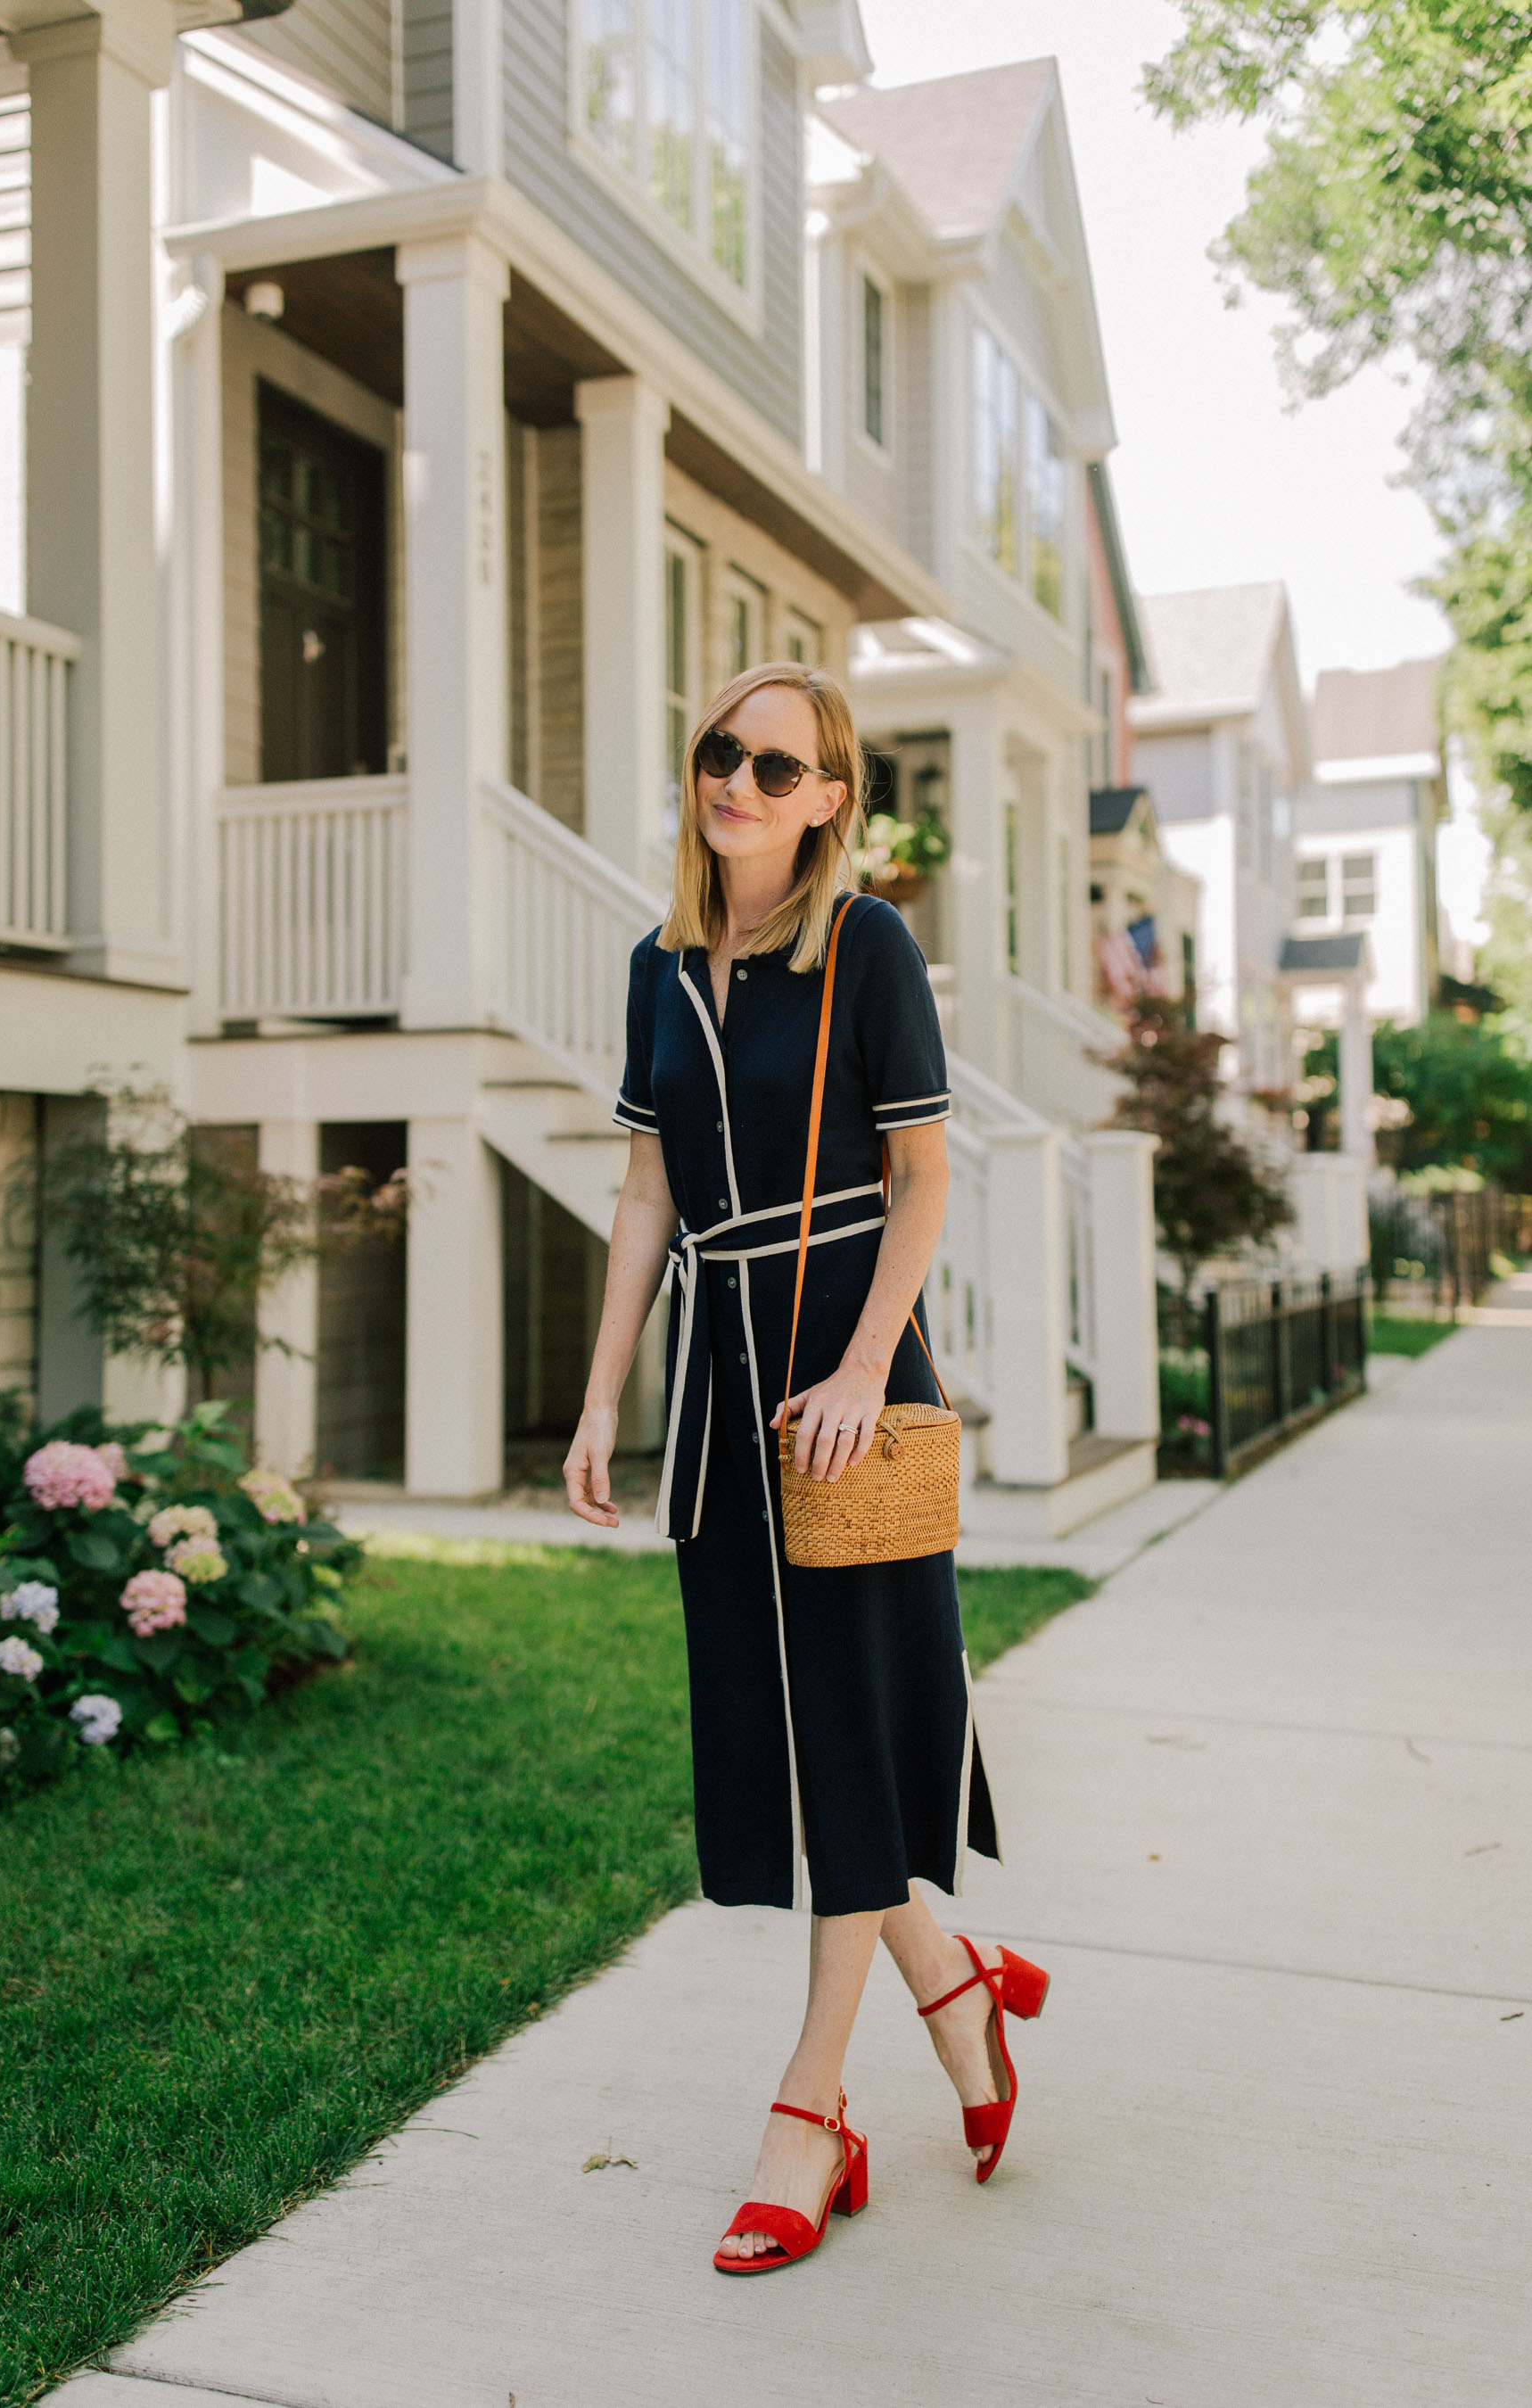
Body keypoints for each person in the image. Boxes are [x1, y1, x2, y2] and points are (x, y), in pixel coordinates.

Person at [563, 663, 1047, 2275]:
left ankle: (809, 2109)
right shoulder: (658, 964)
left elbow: (921, 1183)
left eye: (779, 767)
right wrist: (597, 1394)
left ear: (833, 797)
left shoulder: (870, 945)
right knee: (792, 1739)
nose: (741, 785)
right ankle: (956, 1985)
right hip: (721, 1378)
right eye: (721, 755)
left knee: (844, 1726)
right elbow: (646, 1193)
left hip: (846, 1372)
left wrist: (855, 1367)